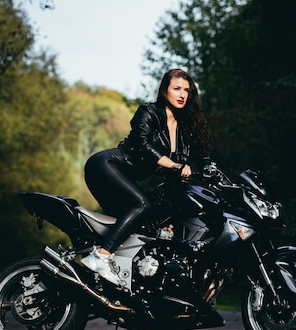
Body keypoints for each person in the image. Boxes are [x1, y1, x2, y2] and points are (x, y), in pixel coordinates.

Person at [81, 68, 212, 285]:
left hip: (123, 177)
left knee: (144, 223)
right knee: (143, 204)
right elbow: (142, 145)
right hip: (106, 165)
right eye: (176, 88)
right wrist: (174, 164)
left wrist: (211, 168)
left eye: (187, 90)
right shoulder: (148, 112)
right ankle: (101, 255)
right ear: (164, 92)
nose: (182, 94)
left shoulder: (184, 128)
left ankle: (122, 275)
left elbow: (201, 153)